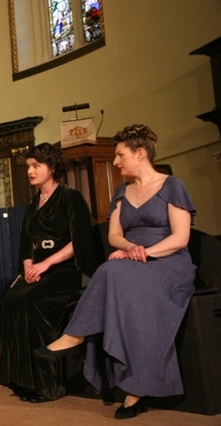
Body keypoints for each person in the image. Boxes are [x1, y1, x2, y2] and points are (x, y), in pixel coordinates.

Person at [35, 124, 197, 420]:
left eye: (120, 155)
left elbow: (181, 238)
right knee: (115, 271)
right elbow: (114, 235)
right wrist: (128, 248)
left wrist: (143, 252)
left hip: (169, 263)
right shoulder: (122, 192)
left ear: (139, 154)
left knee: (113, 271)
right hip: (133, 262)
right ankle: (133, 390)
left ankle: (74, 336)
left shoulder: (172, 185)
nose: (116, 161)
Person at [0, 143, 97, 403]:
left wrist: (46, 264)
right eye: (29, 166)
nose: (30, 171)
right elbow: (25, 243)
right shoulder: (32, 204)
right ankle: (22, 379)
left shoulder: (70, 197)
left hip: (66, 271)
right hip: (39, 271)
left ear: (51, 168)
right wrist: (29, 264)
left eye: (36, 166)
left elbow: (79, 242)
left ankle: (46, 385)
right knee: (10, 300)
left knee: (31, 302)